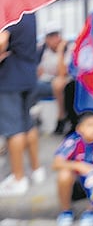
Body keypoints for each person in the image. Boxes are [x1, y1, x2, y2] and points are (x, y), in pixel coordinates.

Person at [0, 12, 45, 197]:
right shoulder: (28, 10)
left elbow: (2, 39)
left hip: (10, 78)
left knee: (13, 130)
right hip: (28, 74)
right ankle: (36, 169)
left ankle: (19, 178)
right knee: (28, 124)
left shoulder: (6, 8)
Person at [33, 22, 74, 135]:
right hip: (44, 82)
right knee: (28, 86)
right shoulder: (41, 50)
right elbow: (37, 71)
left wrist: (60, 52)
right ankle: (31, 119)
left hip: (66, 82)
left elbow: (62, 73)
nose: (55, 38)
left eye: (56, 35)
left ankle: (61, 118)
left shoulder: (68, 48)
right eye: (51, 36)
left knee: (58, 83)